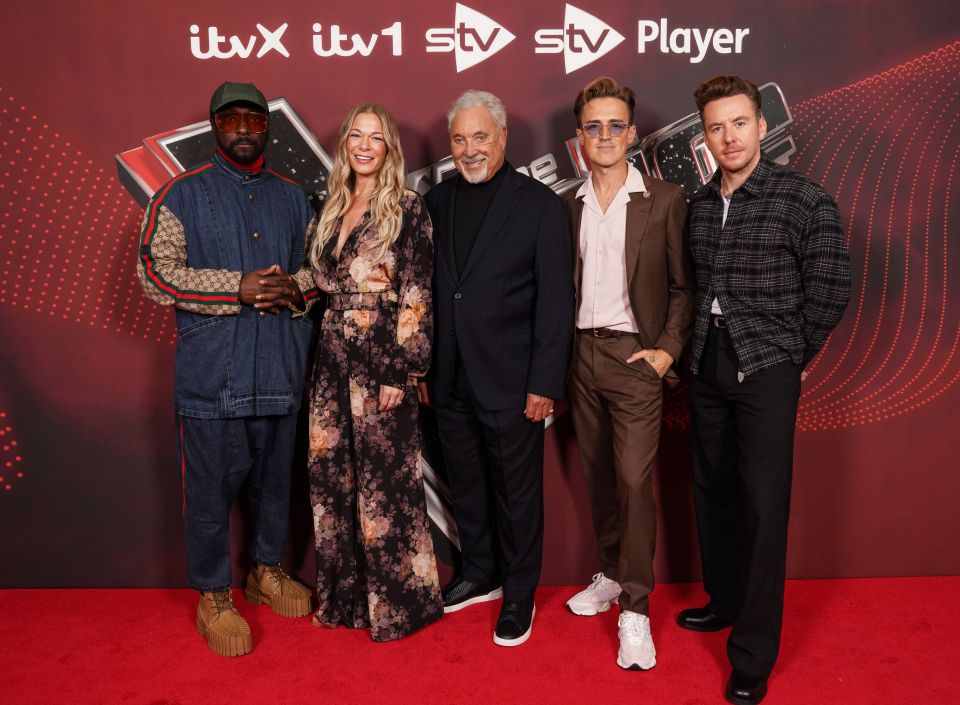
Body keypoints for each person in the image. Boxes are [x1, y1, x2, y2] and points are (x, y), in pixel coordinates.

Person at [678, 75, 850, 704]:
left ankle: (752, 655)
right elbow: (694, 289)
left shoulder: (802, 198)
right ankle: (723, 599)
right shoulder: (698, 203)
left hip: (768, 368)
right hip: (708, 360)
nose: (728, 136)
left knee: (761, 504)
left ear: (760, 126)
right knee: (712, 489)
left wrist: (792, 353)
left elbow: (831, 285)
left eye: (739, 123)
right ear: (705, 134)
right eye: (716, 127)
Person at [137, 81, 319, 657]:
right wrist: (235, 287)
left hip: (281, 370)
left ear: (268, 128)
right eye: (231, 120)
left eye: (253, 120)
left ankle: (266, 571)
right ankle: (213, 594)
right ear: (216, 126)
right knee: (211, 494)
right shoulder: (180, 194)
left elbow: (321, 269)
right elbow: (154, 273)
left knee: (276, 486)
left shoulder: (294, 198)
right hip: (213, 375)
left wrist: (296, 288)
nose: (243, 130)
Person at [421, 90, 574, 647]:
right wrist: (423, 371)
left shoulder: (539, 205)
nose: (469, 149)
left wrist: (544, 382)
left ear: (503, 137)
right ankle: (479, 573)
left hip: (514, 381)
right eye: (459, 139)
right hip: (449, 378)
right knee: (466, 484)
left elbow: (557, 303)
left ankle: (518, 592)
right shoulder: (435, 204)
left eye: (480, 136)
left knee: (517, 492)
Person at [561, 77, 694, 670]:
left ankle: (636, 610)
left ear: (633, 133)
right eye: (595, 126)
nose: (606, 135)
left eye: (617, 125)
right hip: (580, 359)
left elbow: (684, 287)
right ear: (580, 138)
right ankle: (613, 573)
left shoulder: (663, 199)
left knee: (636, 483)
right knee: (600, 479)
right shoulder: (569, 203)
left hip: (635, 358)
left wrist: (666, 349)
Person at [306, 103, 442, 641]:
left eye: (376, 138)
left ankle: (397, 610)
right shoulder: (332, 205)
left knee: (385, 491)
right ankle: (344, 602)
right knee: (332, 481)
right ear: (345, 144)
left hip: (382, 358)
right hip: (331, 358)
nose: (365, 146)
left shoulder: (408, 208)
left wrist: (403, 371)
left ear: (389, 149)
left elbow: (415, 294)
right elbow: (319, 281)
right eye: (356, 136)